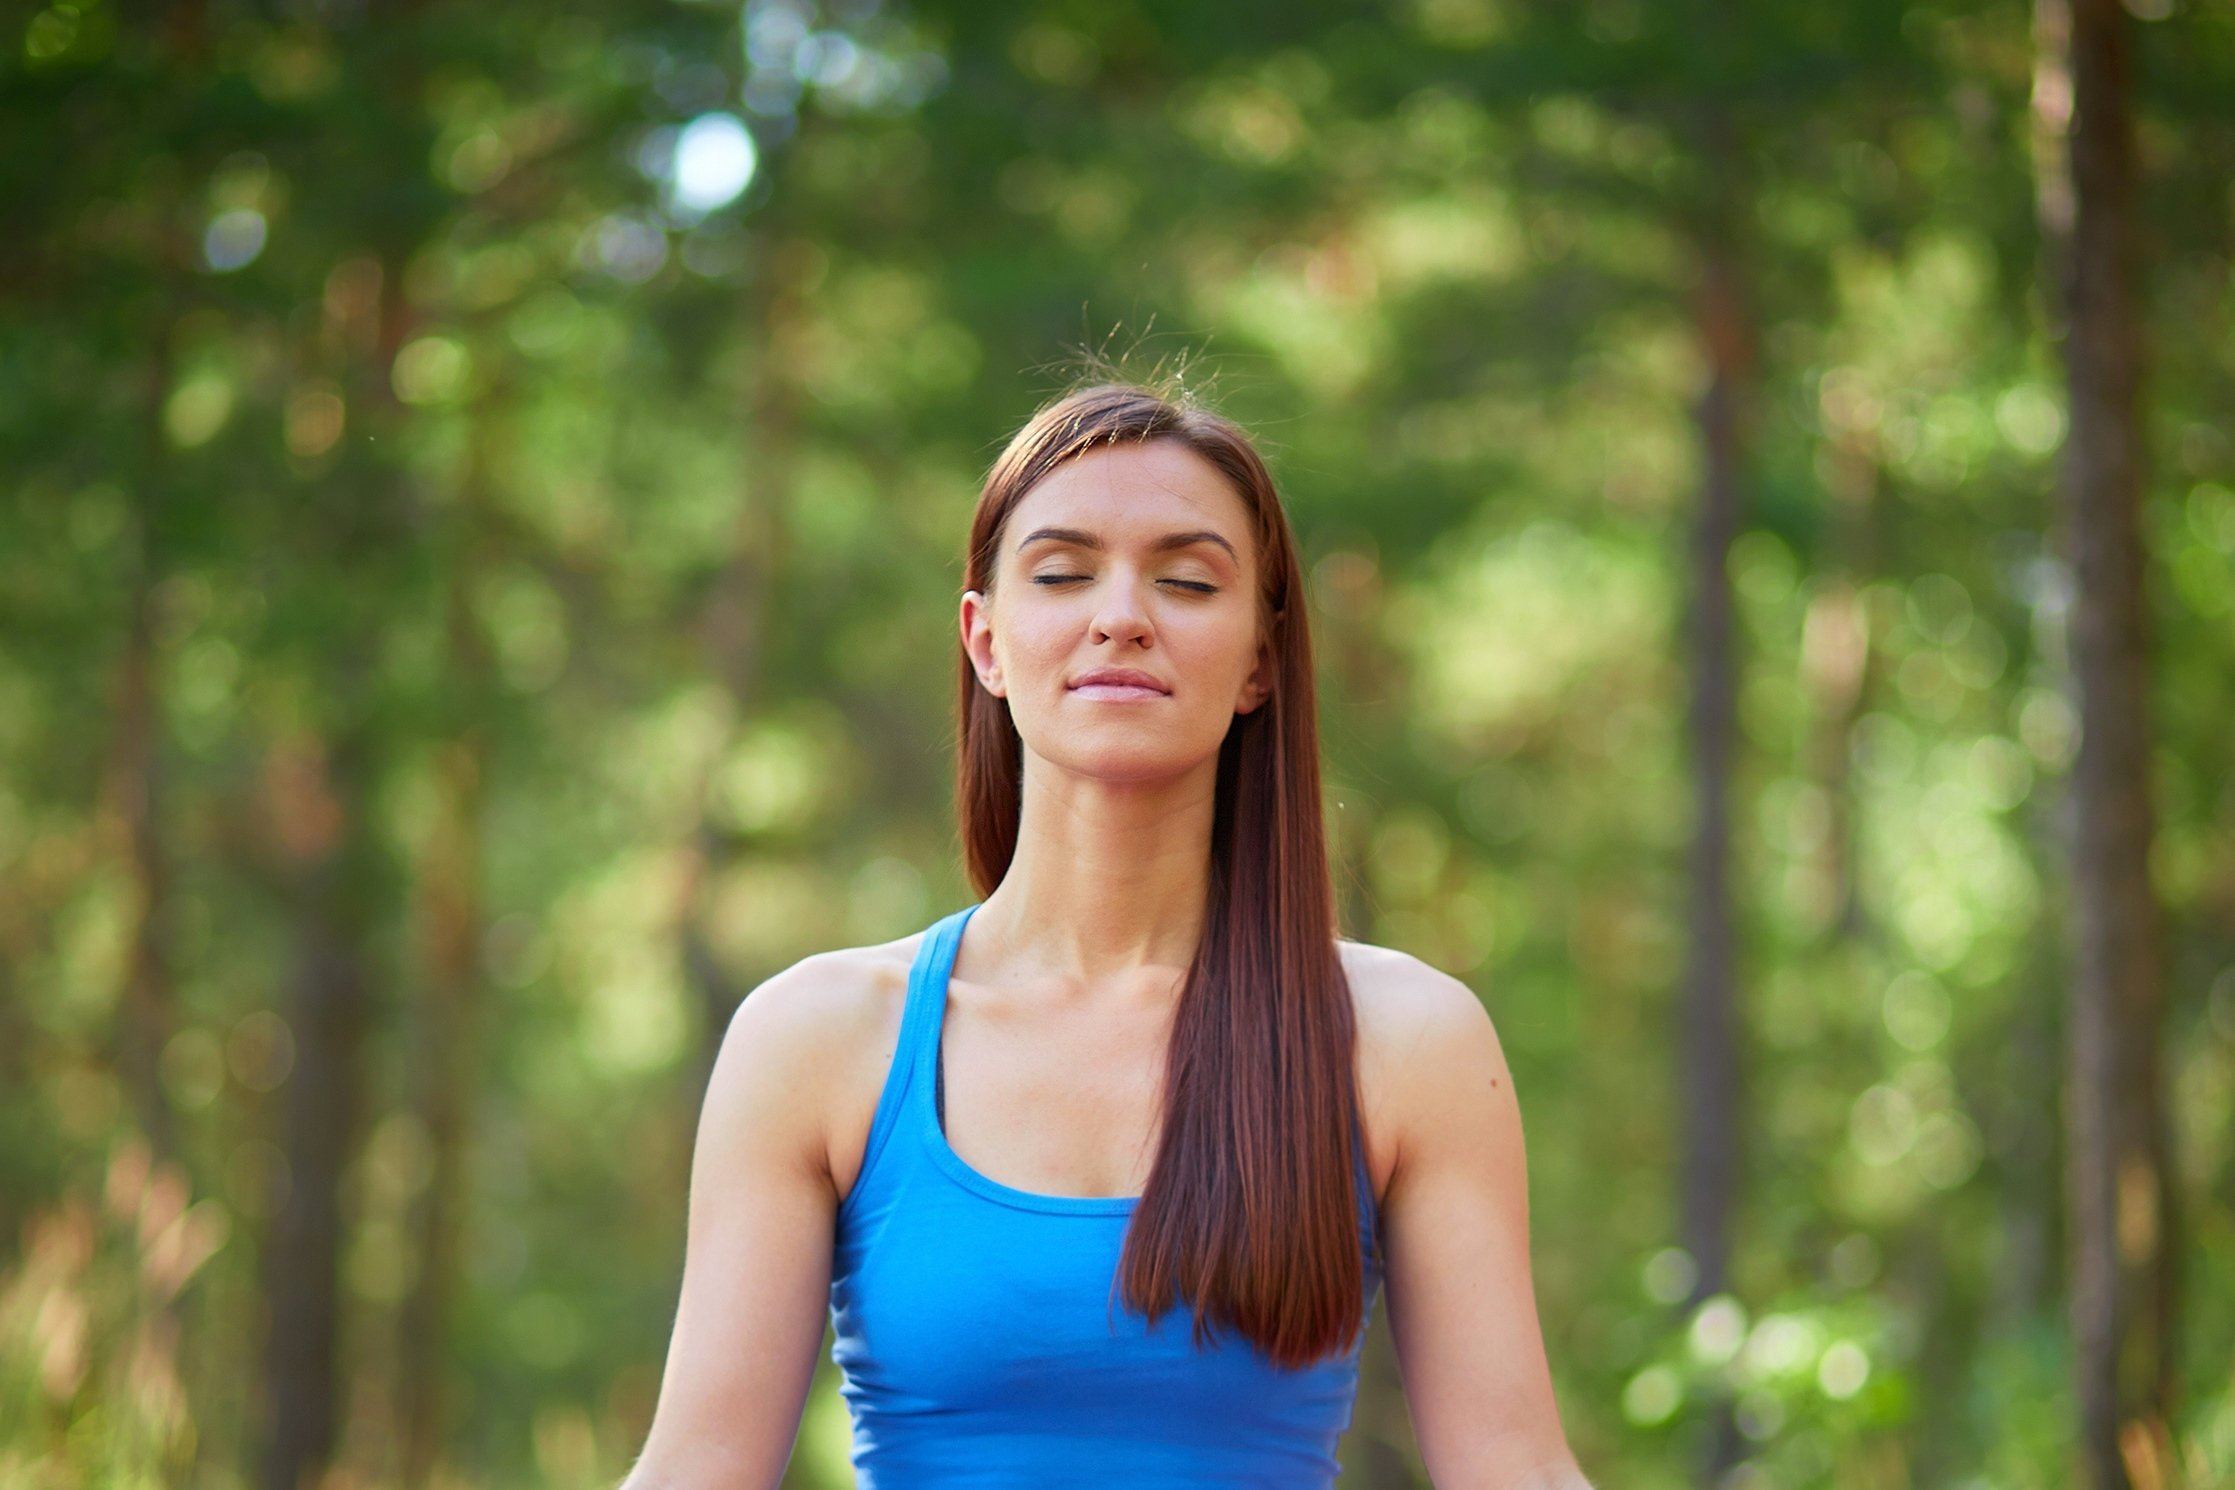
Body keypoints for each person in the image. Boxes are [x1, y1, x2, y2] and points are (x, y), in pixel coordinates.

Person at [617, 381, 1588, 1489]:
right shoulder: (817, 1037)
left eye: (1186, 579)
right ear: (986, 641)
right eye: (1062, 572)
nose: (1122, 613)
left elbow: (1518, 1470)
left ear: (1262, 661)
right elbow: (697, 1469)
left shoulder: (1406, 1040)